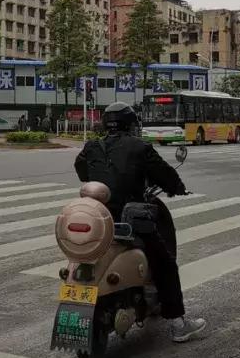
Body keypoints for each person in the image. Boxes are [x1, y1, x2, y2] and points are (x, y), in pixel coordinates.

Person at [74, 102, 206, 343]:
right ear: (131, 124)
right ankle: (178, 323)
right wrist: (177, 187)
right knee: (165, 264)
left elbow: (81, 169)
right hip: (132, 217)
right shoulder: (139, 147)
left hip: (100, 218)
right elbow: (164, 173)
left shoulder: (91, 147)